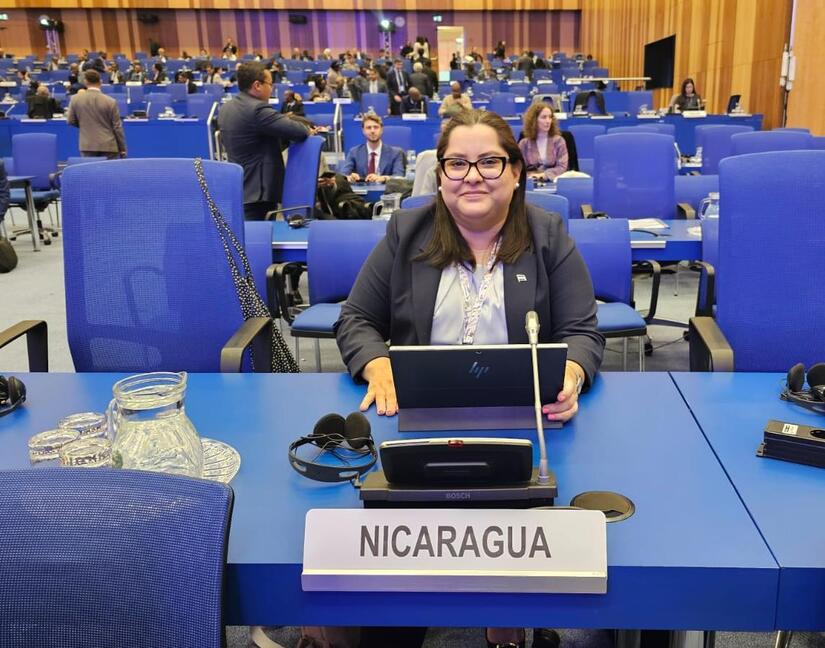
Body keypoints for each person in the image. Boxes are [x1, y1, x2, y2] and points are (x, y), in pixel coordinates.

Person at [335, 105, 602, 434]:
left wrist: (570, 375)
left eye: (489, 162)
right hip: (418, 415)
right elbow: (356, 318)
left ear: (515, 172)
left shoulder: (548, 234)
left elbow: (581, 332)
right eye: (457, 164)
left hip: (527, 416)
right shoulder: (406, 232)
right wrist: (378, 365)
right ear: (440, 176)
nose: (472, 176)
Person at [217, 61, 312, 221]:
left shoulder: (226, 108)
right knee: (260, 235)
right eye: (270, 84)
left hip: (239, 187)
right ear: (257, 85)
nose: (272, 89)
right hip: (258, 193)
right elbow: (300, 131)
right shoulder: (258, 109)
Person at [66, 69, 127, 159]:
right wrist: (122, 149)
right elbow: (117, 127)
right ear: (100, 82)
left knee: (89, 169)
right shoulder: (111, 101)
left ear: (85, 82)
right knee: (108, 169)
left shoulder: (75, 99)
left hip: (87, 145)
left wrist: (85, 125)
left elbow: (70, 121)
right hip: (108, 145)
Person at [340, 113, 405, 184]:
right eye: (368, 128)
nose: (372, 131)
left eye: (376, 127)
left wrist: (383, 178)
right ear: (363, 131)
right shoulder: (354, 152)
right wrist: (350, 177)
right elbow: (342, 175)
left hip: (385, 190)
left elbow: (399, 177)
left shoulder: (396, 153)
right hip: (361, 191)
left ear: (382, 130)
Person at [518, 102, 569, 181]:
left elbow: (562, 167)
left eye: (550, 117)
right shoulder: (524, 144)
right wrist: (531, 176)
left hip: (553, 181)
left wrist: (544, 175)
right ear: (534, 120)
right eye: (544, 117)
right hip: (530, 181)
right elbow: (519, 168)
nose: (548, 121)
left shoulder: (559, 141)